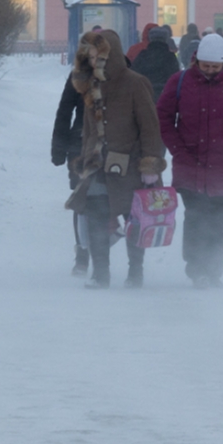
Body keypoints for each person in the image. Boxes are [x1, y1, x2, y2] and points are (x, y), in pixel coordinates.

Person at [156, 32, 223, 288]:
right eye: (206, 66)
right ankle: (196, 270)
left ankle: (214, 271)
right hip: (188, 165)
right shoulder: (180, 81)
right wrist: (178, 151)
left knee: (218, 220)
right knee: (194, 216)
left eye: (215, 67)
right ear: (196, 61)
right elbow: (163, 117)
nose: (211, 71)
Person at [67, 29, 168, 288]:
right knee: (97, 218)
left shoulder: (135, 83)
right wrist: (84, 157)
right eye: (87, 56)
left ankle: (135, 272)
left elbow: (149, 125)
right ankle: (101, 274)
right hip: (98, 165)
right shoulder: (91, 86)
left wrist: (150, 163)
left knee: (134, 220)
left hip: (131, 167)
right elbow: (88, 128)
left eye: (96, 55)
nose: (91, 61)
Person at [51, 74, 89, 276]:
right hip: (79, 146)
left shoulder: (123, 71)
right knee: (81, 199)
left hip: (112, 146)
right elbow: (64, 111)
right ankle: (82, 254)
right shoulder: (78, 75)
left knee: (107, 199)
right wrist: (59, 148)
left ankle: (100, 251)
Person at [131, 25, 180, 97]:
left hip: (145, 94)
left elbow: (134, 73)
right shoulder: (170, 57)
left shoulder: (143, 55)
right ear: (166, 39)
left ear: (150, 38)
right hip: (165, 94)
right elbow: (176, 77)